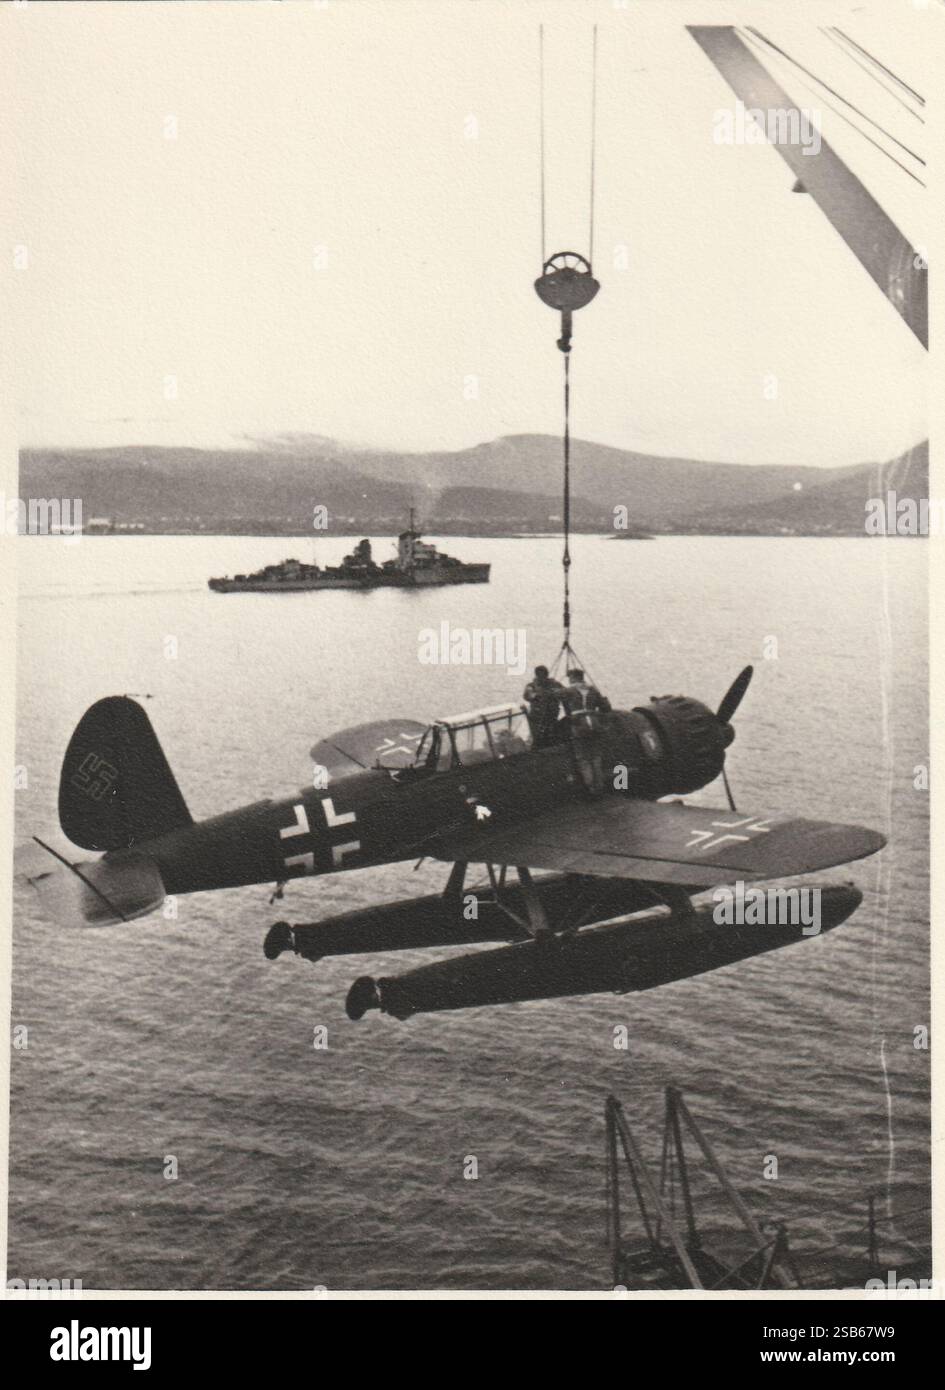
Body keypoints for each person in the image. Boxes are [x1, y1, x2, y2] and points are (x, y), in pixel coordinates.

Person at [523, 665, 566, 748]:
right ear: (536, 675)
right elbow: (527, 696)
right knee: (538, 734)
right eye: (539, 675)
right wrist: (539, 695)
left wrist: (556, 693)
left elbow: (565, 693)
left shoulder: (555, 684)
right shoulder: (531, 686)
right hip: (537, 716)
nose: (542, 677)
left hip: (552, 715)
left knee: (552, 732)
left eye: (544, 675)